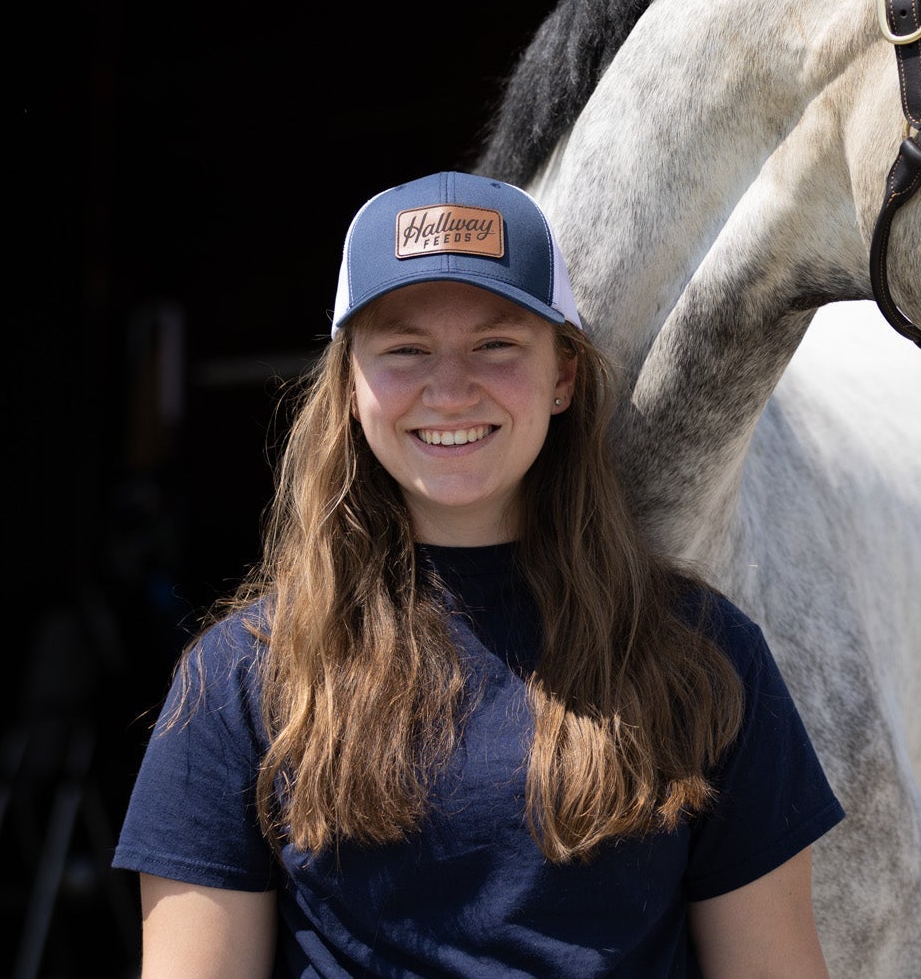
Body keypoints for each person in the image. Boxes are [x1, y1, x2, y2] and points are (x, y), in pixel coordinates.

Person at [113, 171, 843, 978]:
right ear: (351, 385)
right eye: (404, 350)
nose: (450, 388)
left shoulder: (706, 657)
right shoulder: (238, 681)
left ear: (563, 373)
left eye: (496, 344)